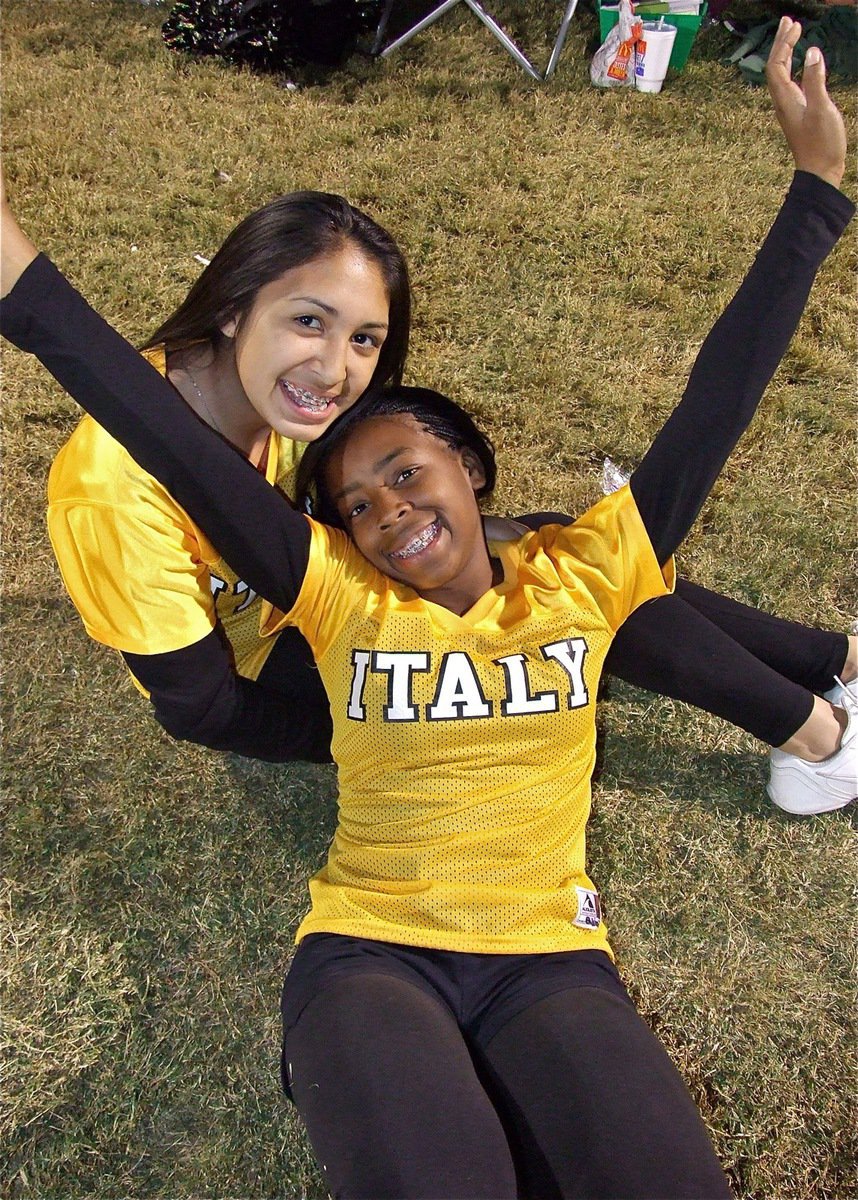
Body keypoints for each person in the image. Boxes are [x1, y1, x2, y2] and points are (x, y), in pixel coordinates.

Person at [1, 19, 854, 1195]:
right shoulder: (340, 593)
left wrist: (815, 192)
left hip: (551, 958)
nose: (388, 512)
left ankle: (828, 694)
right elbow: (153, 433)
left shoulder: (589, 566)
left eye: (407, 472)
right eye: (354, 503)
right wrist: (18, 279)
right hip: (367, 956)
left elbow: (721, 395)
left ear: (474, 471)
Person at [27, 58, 854, 813]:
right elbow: (202, 706)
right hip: (298, 668)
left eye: (364, 339)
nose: (332, 370)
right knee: (571, 596)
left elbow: (711, 413)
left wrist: (817, 191)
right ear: (237, 306)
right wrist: (411, 728)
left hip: (338, 597)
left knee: (560, 558)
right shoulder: (112, 489)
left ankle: (835, 667)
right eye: (308, 321)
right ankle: (821, 739)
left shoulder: (303, 408)